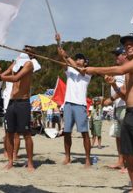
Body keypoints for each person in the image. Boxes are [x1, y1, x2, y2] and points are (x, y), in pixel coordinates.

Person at [83, 33, 133, 193]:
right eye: (126, 44)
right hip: (129, 112)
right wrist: (115, 87)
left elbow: (121, 68)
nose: (129, 45)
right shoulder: (129, 71)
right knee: (129, 154)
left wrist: (94, 69)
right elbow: (125, 94)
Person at [0, 46, 38, 171]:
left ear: (32, 55)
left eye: (28, 50)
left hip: (23, 102)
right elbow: (3, 73)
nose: (25, 51)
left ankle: (30, 162)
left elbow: (15, 78)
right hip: (11, 101)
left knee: (26, 134)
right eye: (24, 49)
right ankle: (10, 161)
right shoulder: (16, 63)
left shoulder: (29, 64)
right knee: (9, 133)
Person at [55, 33, 92, 168]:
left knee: (84, 133)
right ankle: (67, 157)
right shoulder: (70, 70)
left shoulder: (87, 72)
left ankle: (87, 159)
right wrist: (59, 43)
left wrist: (67, 56)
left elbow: (79, 69)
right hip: (68, 104)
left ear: (86, 62)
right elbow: (62, 58)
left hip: (80, 105)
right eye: (77, 58)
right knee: (67, 132)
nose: (78, 60)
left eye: (81, 59)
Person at [103, 45, 128, 171]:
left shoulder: (128, 70)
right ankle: (120, 161)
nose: (115, 57)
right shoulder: (118, 70)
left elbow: (125, 89)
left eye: (117, 54)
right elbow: (117, 85)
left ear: (125, 55)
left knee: (126, 137)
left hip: (125, 106)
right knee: (118, 136)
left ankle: (128, 163)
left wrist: (111, 99)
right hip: (117, 107)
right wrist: (111, 80)